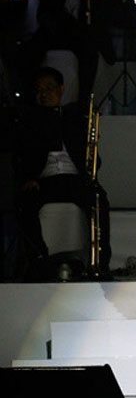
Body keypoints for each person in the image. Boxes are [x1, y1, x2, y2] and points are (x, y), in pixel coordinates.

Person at [15, 66, 111, 280]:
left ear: (61, 89)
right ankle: (39, 262)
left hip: (74, 178)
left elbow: (93, 156)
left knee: (98, 199)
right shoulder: (29, 120)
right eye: (40, 90)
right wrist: (28, 179)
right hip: (45, 180)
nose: (44, 94)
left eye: (49, 88)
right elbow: (21, 154)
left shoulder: (75, 118)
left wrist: (89, 173)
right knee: (24, 202)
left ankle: (101, 263)